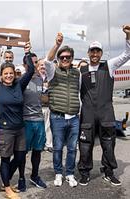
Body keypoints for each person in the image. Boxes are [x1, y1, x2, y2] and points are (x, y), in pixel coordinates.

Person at [78, 25, 130, 186]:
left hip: (106, 112)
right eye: (92, 51)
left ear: (101, 53)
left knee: (108, 143)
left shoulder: (110, 65)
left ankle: (109, 171)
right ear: (88, 53)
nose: (94, 54)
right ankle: (85, 172)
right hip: (87, 113)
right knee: (85, 145)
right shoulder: (82, 70)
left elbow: (127, 54)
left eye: (97, 51)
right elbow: (75, 91)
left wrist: (128, 37)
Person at [0, 38, 35, 199]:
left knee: (20, 157)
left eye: (11, 73)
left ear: (14, 75)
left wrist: (27, 52)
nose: (8, 76)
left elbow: (31, 70)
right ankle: (7, 187)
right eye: (5, 74)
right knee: (5, 159)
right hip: (5, 130)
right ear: (2, 75)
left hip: (20, 128)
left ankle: (5, 181)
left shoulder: (19, 85)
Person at [45, 33, 80, 187]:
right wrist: (57, 45)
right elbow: (47, 60)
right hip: (57, 117)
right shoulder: (53, 72)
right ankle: (59, 173)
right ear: (58, 59)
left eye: (68, 57)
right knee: (58, 148)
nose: (65, 59)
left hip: (73, 117)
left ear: (72, 58)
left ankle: (70, 173)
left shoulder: (77, 73)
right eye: (62, 57)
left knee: (72, 148)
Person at [21, 57, 48, 189]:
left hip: (39, 120)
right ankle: (20, 178)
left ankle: (35, 176)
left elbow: (40, 98)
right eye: (30, 62)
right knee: (22, 152)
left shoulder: (39, 79)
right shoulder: (20, 80)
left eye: (36, 62)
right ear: (24, 65)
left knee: (37, 151)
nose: (34, 64)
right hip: (26, 121)